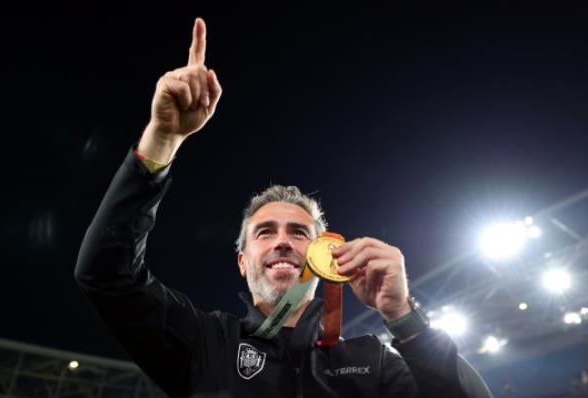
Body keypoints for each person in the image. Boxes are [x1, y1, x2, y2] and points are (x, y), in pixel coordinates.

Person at [75, 17, 492, 398]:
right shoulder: (204, 343)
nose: (282, 243)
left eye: (298, 233)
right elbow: (105, 274)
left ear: (325, 255)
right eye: (265, 232)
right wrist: (161, 138)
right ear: (242, 261)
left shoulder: (374, 363)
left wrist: (403, 316)